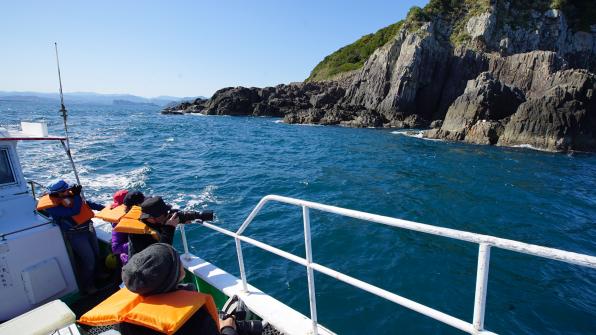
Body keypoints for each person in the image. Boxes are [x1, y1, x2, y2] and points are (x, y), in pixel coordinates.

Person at [79, 243, 238, 335]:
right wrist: (228, 328)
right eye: (177, 262)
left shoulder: (125, 321)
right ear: (173, 276)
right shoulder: (195, 318)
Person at [37, 179, 105, 294]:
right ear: (58, 192)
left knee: (96, 254)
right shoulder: (52, 207)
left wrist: (106, 208)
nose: (69, 191)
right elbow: (74, 211)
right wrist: (77, 196)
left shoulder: (70, 196)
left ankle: (98, 274)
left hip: (88, 228)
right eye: (66, 190)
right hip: (76, 235)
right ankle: (88, 286)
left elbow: (86, 204)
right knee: (89, 261)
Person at [109, 190, 145, 265]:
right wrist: (134, 243)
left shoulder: (142, 216)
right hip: (129, 261)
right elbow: (115, 248)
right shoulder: (118, 222)